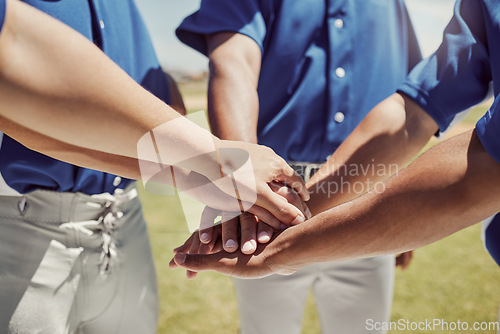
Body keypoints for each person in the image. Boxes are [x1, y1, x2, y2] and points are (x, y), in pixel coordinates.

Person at [0, 1, 308, 333]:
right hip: (23, 230)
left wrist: (195, 172)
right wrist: (215, 159)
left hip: (124, 223)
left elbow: (158, 88)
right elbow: (12, 72)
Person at [172, 0, 500, 293]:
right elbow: (412, 112)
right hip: (279, 193)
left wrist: (400, 211)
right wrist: (259, 195)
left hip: (357, 192)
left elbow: (466, 151)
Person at [175, 1, 420, 333]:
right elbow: (234, 61)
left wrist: (407, 204)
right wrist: (245, 180)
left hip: (365, 198)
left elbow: (410, 99)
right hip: (269, 205)